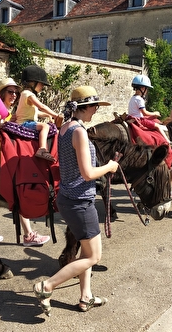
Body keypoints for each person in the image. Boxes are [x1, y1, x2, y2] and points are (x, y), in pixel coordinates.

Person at [33, 85, 119, 316]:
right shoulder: (79, 131)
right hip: (80, 201)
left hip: (69, 198)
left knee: (86, 252)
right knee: (93, 256)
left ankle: (85, 297)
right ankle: (46, 286)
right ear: (84, 107)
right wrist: (110, 166)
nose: (96, 112)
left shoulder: (65, 127)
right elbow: (88, 173)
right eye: (94, 107)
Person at [0, 77, 50, 246]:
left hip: (2, 150)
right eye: (10, 92)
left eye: (15, 92)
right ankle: (28, 234)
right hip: (1, 151)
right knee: (18, 186)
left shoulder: (8, 110)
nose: (14, 95)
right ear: (3, 93)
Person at [15, 65, 60, 163]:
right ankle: (42, 149)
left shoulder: (26, 94)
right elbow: (42, 107)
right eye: (41, 84)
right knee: (45, 126)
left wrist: (48, 115)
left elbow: (37, 112)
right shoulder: (28, 94)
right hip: (24, 123)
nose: (43, 87)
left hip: (28, 121)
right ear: (33, 83)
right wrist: (56, 115)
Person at [128, 74, 170, 142]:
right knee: (157, 126)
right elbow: (144, 113)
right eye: (146, 88)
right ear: (142, 88)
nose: (146, 91)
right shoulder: (139, 99)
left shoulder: (133, 97)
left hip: (132, 118)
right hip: (139, 120)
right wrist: (154, 113)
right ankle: (168, 142)